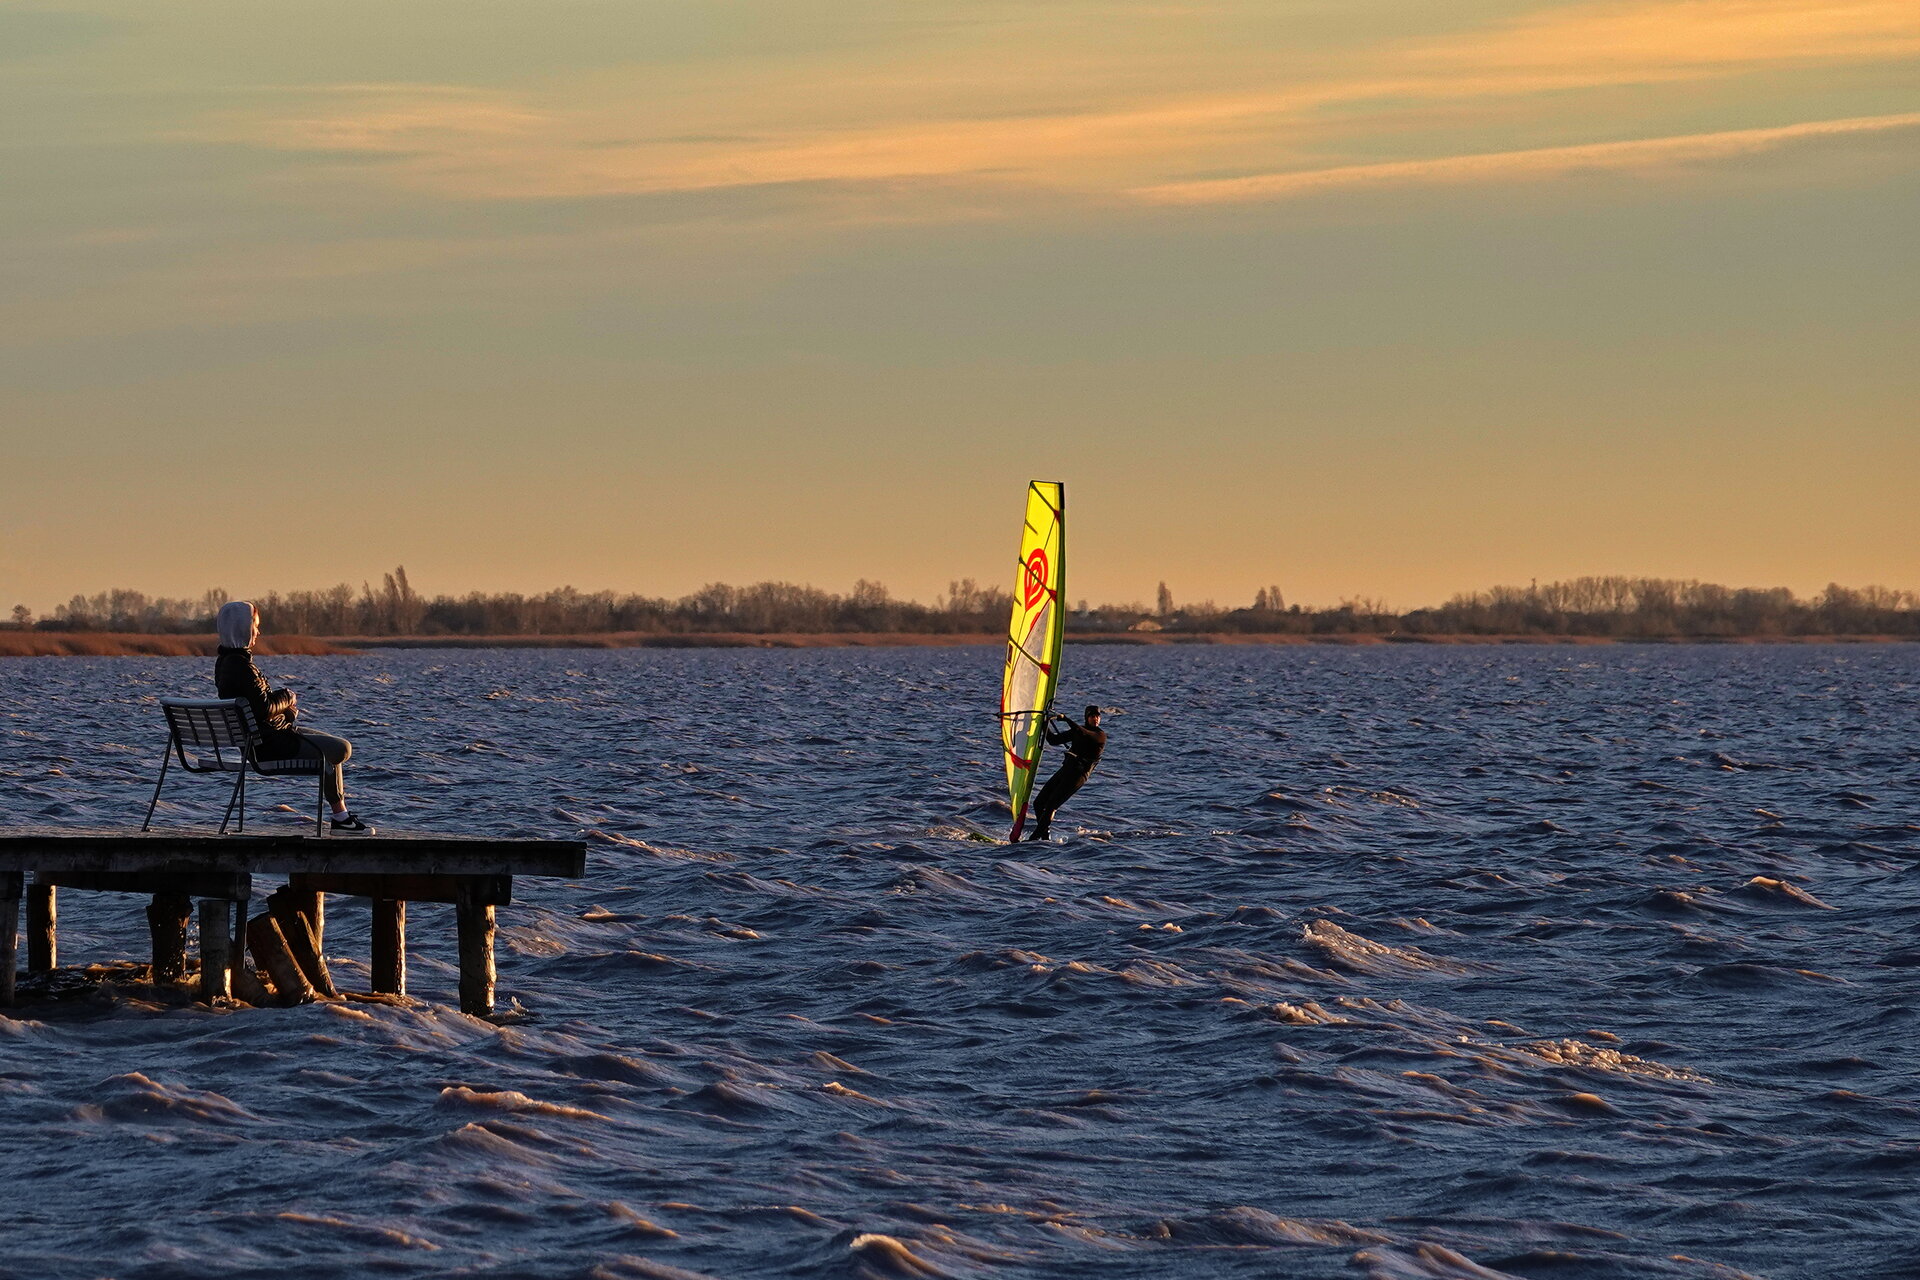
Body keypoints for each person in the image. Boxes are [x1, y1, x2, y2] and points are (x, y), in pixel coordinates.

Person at [213, 600, 374, 835]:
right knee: (340, 749)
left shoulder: (226, 663)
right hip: (271, 746)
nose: (258, 632)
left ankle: (342, 817)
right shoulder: (241, 667)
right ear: (243, 628)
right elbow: (264, 709)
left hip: (266, 739)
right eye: (255, 626)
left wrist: (285, 715)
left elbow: (258, 708)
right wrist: (287, 697)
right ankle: (341, 818)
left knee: (332, 748)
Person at [1027, 704, 1106, 841]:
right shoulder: (1078, 731)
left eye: (1098, 716)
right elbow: (1053, 740)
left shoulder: (1100, 736)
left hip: (1078, 776)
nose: (1096, 719)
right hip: (1066, 770)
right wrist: (1044, 723)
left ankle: (1033, 839)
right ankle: (1045, 838)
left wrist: (1066, 719)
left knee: (1051, 805)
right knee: (1038, 803)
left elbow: (1084, 733)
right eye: (1092, 716)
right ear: (1087, 718)